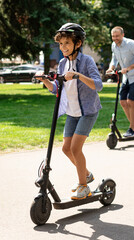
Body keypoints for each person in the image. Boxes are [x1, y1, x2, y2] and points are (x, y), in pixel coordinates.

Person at [35, 23, 103, 200]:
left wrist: (78, 75)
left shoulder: (86, 61)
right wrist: (45, 80)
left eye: (67, 43)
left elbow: (99, 85)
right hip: (72, 111)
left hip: (87, 111)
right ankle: (86, 175)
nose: (63, 47)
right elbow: (57, 88)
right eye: (61, 44)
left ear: (78, 44)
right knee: (66, 148)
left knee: (75, 147)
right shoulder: (63, 63)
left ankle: (83, 186)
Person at [106, 26, 134, 137]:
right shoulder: (114, 45)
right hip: (126, 77)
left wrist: (129, 68)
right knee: (123, 102)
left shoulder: (131, 44)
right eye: (113, 36)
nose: (115, 38)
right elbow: (114, 58)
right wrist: (111, 68)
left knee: (130, 101)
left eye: (117, 36)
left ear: (123, 35)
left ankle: (132, 128)